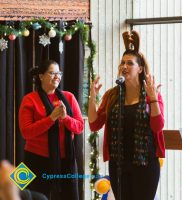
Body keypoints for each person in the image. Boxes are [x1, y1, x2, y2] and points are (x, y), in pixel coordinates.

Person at [88, 30, 165, 200]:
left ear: (140, 69)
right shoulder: (112, 95)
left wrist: (153, 99)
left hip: (145, 163)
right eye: (122, 63)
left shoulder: (152, 94)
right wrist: (92, 98)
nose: (124, 66)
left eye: (130, 63)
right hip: (119, 164)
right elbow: (94, 124)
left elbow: (158, 126)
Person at [18, 60, 84, 200]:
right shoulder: (29, 99)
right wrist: (51, 119)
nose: (57, 76)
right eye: (52, 73)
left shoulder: (69, 97)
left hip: (66, 160)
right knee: (29, 196)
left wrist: (65, 118)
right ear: (41, 76)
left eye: (58, 73)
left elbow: (79, 127)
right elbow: (26, 132)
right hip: (34, 160)